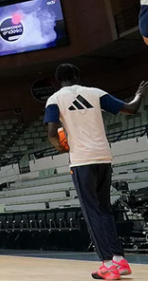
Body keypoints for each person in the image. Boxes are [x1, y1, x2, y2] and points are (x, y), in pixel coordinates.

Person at [45, 63, 147, 280]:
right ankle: (120, 261)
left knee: (92, 213)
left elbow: (52, 132)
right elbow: (132, 108)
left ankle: (107, 264)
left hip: (82, 161)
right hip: (103, 157)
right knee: (105, 210)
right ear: (77, 76)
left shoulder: (54, 99)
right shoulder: (95, 93)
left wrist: (62, 146)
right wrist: (139, 94)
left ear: (58, 80)